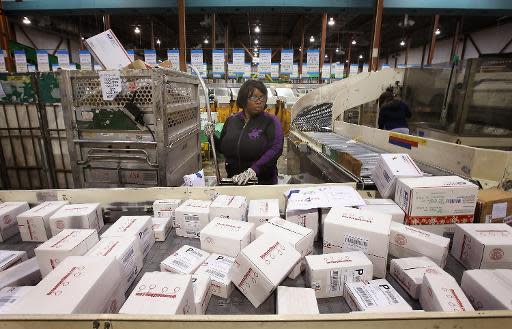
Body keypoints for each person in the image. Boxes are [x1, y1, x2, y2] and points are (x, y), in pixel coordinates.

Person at [204, 80, 284, 185]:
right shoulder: (231, 121)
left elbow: (276, 149)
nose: (259, 101)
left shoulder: (270, 121)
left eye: (262, 97)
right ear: (244, 99)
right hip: (234, 181)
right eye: (254, 97)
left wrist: (253, 170)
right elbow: (223, 149)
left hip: (262, 183)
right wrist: (211, 137)